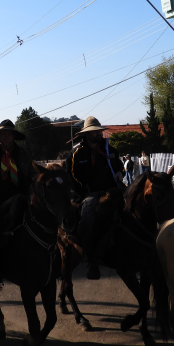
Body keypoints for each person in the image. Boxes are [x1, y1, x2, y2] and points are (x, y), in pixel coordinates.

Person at [66, 116, 125, 279]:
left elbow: (120, 167)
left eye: (99, 131)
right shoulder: (77, 153)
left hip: (112, 190)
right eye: (94, 132)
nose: (98, 134)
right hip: (89, 194)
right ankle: (91, 259)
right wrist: (85, 191)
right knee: (87, 218)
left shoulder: (110, 150)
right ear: (87, 134)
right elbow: (70, 176)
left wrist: (120, 172)